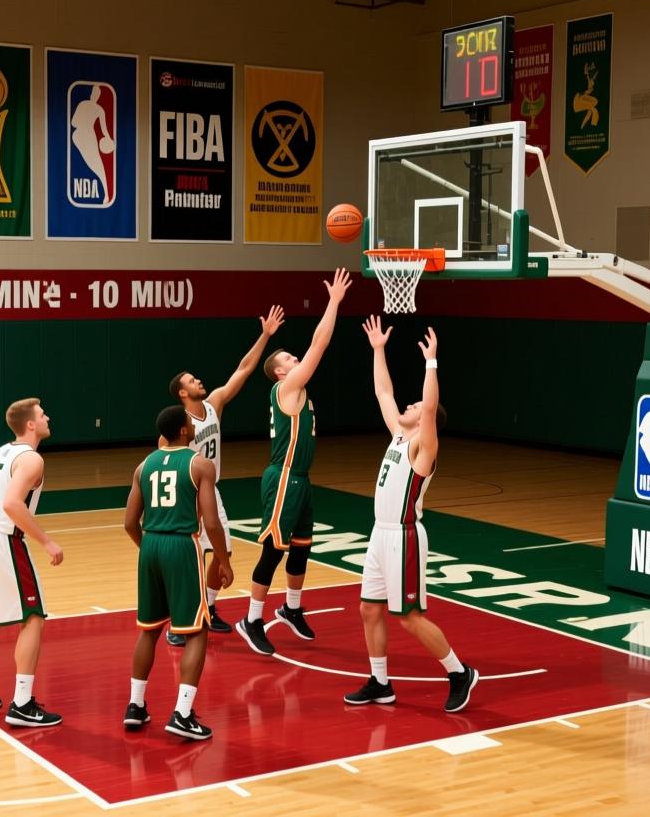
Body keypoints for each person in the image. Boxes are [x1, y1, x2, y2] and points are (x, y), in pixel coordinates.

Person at [343, 318, 478, 713]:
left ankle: (459, 672)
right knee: (369, 608)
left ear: (425, 421)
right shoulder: (398, 436)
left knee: (411, 617)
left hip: (404, 536)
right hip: (378, 534)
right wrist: (378, 349)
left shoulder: (423, 447)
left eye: (414, 405)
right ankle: (380, 682)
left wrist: (431, 363)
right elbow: (383, 391)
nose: (408, 404)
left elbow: (431, 406)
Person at [236, 268, 353, 657]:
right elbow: (319, 345)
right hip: (283, 478)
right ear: (281, 371)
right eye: (289, 356)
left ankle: (292, 607)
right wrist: (333, 302)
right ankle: (251, 619)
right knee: (274, 550)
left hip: (301, 479)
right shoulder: (286, 387)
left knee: (301, 547)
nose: (296, 356)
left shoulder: (296, 389)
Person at [164, 304, 285, 647]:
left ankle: (210, 609)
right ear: (182, 393)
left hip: (211, 490)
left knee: (223, 553)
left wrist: (265, 335)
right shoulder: (177, 423)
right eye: (191, 380)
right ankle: (179, 622)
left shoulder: (214, 403)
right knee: (193, 559)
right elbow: (162, 460)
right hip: (190, 493)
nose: (198, 379)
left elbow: (244, 369)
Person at [123, 406, 232, 740]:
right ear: (185, 431)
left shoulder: (144, 466)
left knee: (150, 630)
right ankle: (183, 714)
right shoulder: (200, 465)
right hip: (182, 546)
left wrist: (149, 549)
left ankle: (135, 706)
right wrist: (224, 560)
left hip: (151, 545)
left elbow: (129, 523)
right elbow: (211, 522)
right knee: (197, 631)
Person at [0, 398, 64, 728]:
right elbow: (11, 504)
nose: (47, 417)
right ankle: (22, 703)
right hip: (4, 540)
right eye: (42, 414)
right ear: (31, 425)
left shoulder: (1, 452)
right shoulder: (32, 459)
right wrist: (46, 541)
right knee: (33, 617)